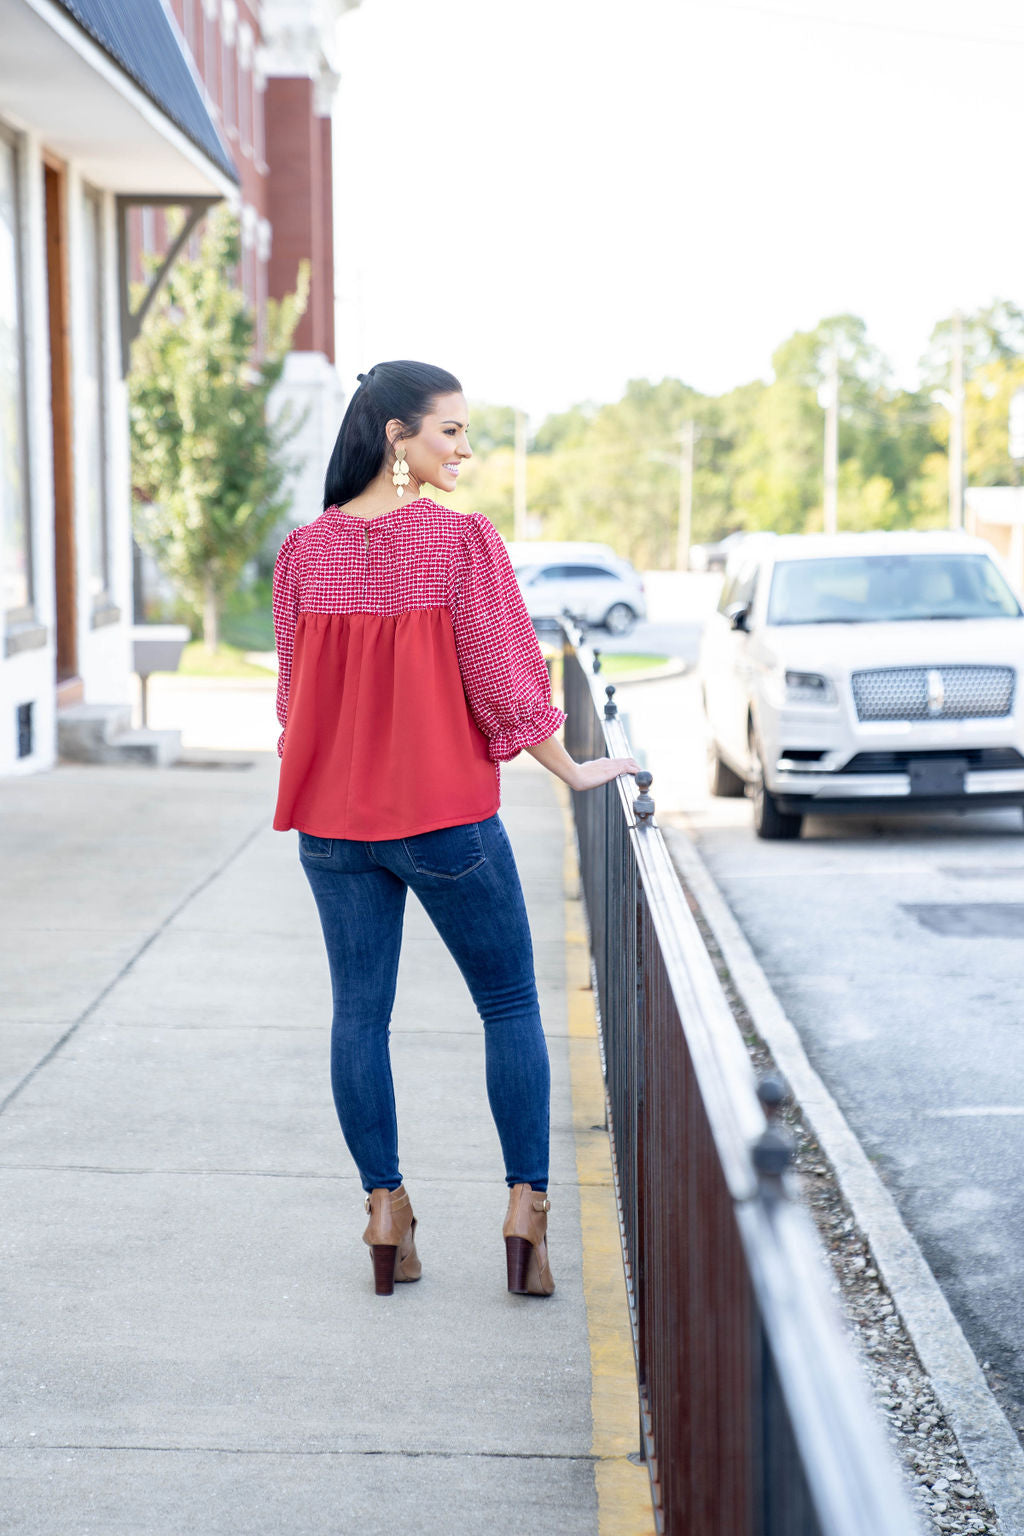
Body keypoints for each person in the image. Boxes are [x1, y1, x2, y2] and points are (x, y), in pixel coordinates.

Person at [272, 360, 639, 1298]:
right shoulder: (462, 543)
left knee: (360, 1016)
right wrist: (575, 768)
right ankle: (526, 1214)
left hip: (333, 827)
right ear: (396, 437)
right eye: (450, 432)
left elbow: (292, 699)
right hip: (446, 822)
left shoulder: (302, 552)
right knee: (509, 1005)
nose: (464, 450)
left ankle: (385, 1212)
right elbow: (508, 682)